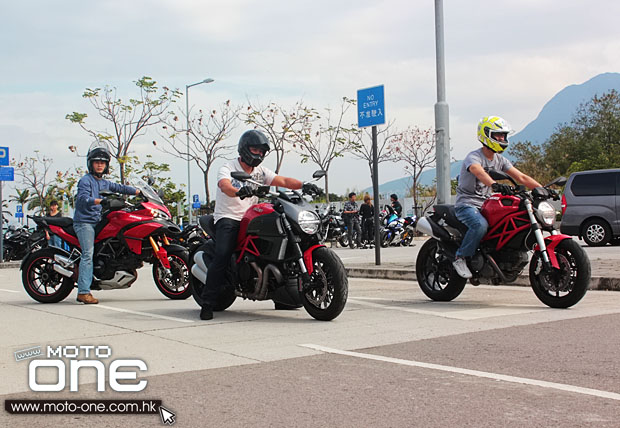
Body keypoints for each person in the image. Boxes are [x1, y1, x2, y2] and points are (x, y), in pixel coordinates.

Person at [199, 130, 319, 321]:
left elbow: (284, 181)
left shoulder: (260, 172)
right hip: (229, 217)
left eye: (262, 151)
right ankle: (207, 302)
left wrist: (303, 185)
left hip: (251, 217)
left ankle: (282, 297)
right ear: (245, 148)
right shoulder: (228, 167)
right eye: (255, 149)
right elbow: (225, 186)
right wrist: (239, 191)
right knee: (222, 255)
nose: (259, 154)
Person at [453, 116, 542, 279]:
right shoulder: (474, 157)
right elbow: (478, 171)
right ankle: (461, 257)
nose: (501, 139)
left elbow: (521, 177)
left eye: (503, 136)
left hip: (487, 205)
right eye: (498, 135)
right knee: (480, 225)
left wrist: (541, 189)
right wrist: (494, 185)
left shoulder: (500, 160)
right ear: (486, 135)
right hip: (468, 204)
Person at [73, 141, 140, 304]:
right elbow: (81, 199)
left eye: (102, 162)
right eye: (97, 162)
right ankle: (83, 291)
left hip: (98, 220)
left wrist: (139, 192)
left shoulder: (104, 183)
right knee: (88, 253)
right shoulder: (85, 180)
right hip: (85, 222)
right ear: (91, 163)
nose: (100, 165)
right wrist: (99, 201)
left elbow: (120, 188)